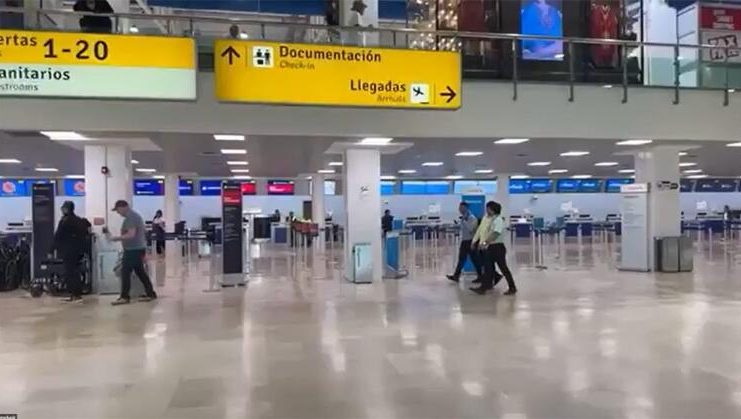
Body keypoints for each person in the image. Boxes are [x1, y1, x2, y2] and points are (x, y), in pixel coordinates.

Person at [106, 200, 158, 305]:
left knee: (125, 272)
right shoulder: (134, 216)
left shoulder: (131, 218)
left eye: (118, 210)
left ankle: (124, 297)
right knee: (140, 272)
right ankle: (150, 293)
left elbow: (131, 234)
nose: (118, 213)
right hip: (137, 248)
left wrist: (115, 238)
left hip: (133, 250)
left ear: (123, 207)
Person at [470, 201, 517, 296]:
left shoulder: (498, 220)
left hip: (497, 247)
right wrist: (478, 242)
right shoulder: (488, 219)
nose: (487, 210)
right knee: (488, 268)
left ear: (493, 209)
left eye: (488, 208)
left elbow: (495, 234)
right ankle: (484, 287)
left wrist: (484, 243)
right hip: (490, 247)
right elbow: (481, 231)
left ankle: (512, 287)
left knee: (503, 268)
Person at [53, 201, 88, 303]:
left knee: (70, 272)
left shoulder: (65, 221)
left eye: (64, 208)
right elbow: (85, 233)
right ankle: (76, 294)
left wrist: (51, 249)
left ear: (67, 209)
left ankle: (75, 294)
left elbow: (58, 236)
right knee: (75, 272)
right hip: (77, 251)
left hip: (68, 251)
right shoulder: (79, 220)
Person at [446, 202, 483, 283]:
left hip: (470, 241)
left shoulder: (471, 217)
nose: (460, 210)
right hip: (464, 241)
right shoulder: (463, 218)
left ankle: (481, 276)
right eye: (459, 208)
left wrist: (464, 221)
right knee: (461, 259)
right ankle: (456, 276)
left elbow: (471, 229)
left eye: (462, 208)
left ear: (466, 208)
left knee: (475, 260)